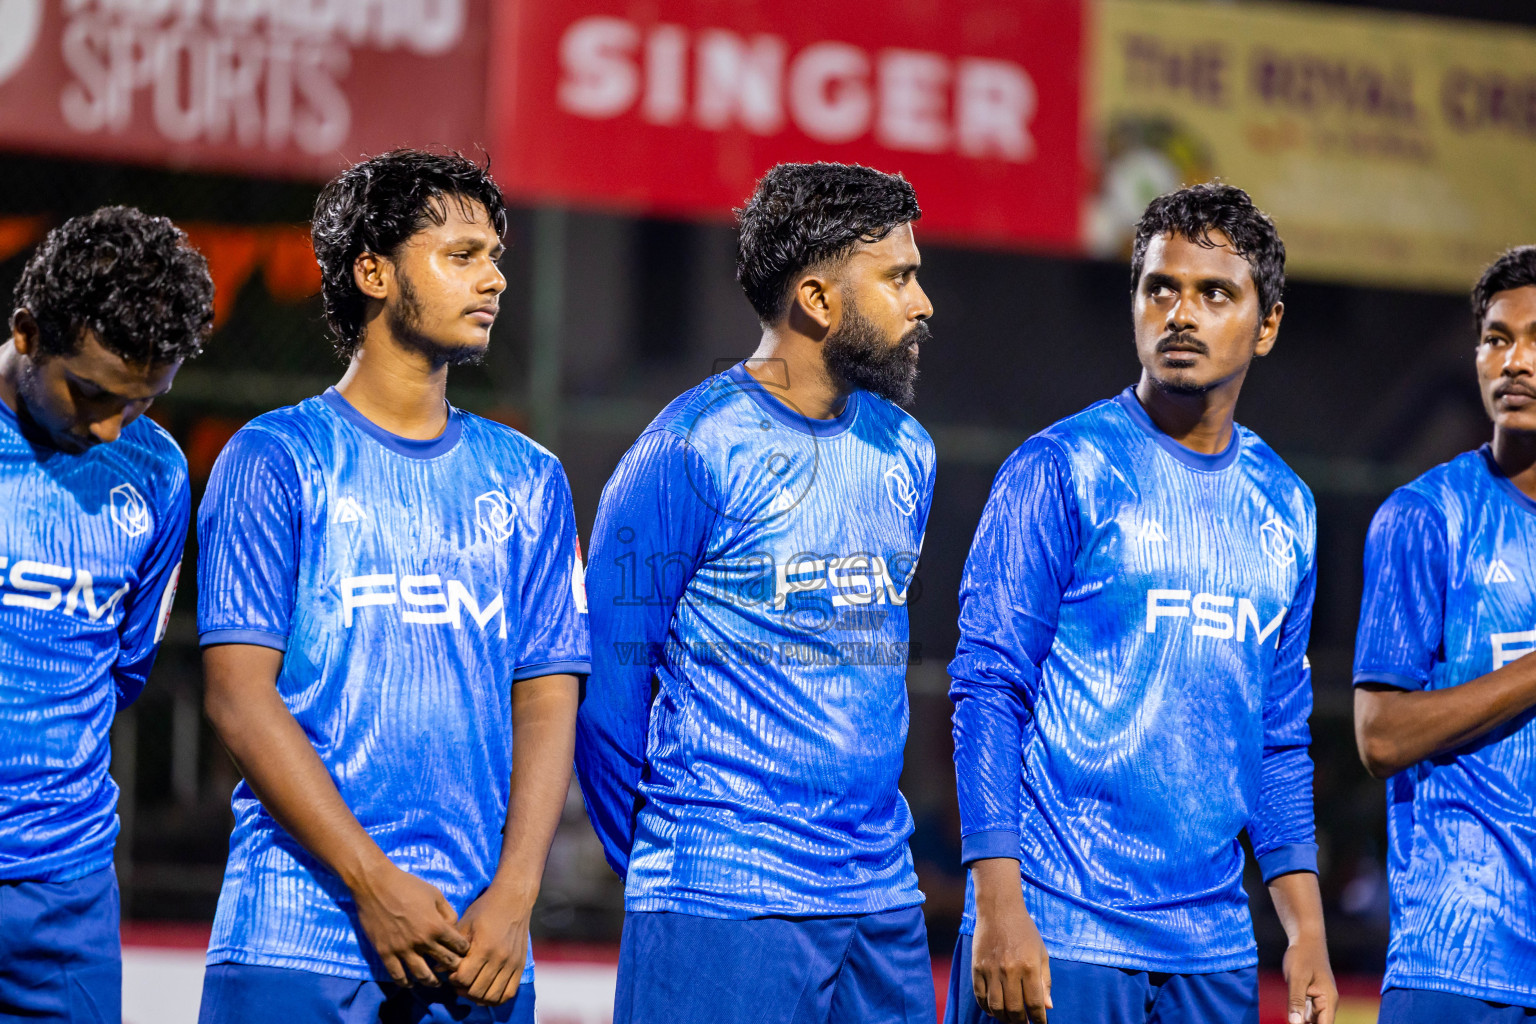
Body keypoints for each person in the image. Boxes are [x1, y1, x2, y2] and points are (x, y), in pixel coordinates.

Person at [194, 150, 589, 1023]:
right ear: (373, 272)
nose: (492, 280)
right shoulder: (275, 459)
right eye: (461, 255)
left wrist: (516, 895)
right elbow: (236, 699)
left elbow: (548, 697)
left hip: (476, 944)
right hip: (295, 934)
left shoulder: (529, 477)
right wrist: (373, 884)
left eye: (496, 258)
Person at [948, 183, 1336, 1024]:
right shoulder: (1060, 468)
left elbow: (1278, 735)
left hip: (1213, 949)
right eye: (1160, 288)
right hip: (1058, 926)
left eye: (1214, 293)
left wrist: (1303, 927)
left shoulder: (1288, 506)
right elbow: (987, 693)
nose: (1181, 314)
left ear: (1266, 325)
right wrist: (1001, 910)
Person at [576, 162, 937, 1024]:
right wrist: (681, 876)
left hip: (879, 896)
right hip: (723, 895)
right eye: (898, 277)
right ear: (816, 298)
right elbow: (609, 697)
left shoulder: (906, 451)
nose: (923, 303)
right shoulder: (689, 449)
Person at [0, 206, 213, 1021]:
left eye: (142, 402)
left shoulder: (157, 473)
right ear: (28, 331)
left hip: (67, 894)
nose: (109, 427)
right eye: (88, 391)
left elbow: (122, 672)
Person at [1353, 245, 1536, 1022]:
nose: (1515, 361)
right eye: (1497, 338)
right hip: (1459, 963)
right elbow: (1380, 736)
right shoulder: (1426, 517)